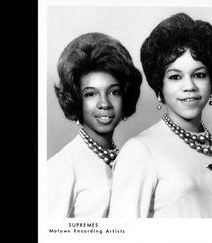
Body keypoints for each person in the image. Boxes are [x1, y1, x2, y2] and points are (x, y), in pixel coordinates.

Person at [108, 13, 212, 218]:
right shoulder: (140, 151)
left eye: (199, 75)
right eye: (175, 77)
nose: (189, 86)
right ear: (159, 85)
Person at [48, 32, 142, 217]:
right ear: (76, 99)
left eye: (114, 92)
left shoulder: (127, 158)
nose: (104, 103)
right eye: (91, 94)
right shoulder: (62, 167)